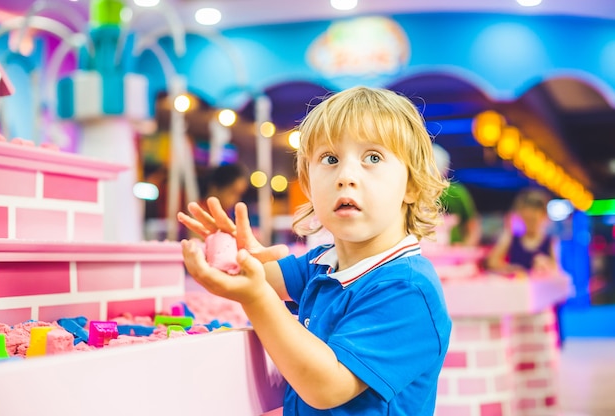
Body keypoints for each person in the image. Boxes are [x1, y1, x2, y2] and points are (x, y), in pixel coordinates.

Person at [177, 86, 452, 415]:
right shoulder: (324, 263)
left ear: (411, 184)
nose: (346, 176)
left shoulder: (406, 288)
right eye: (330, 159)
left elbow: (326, 387)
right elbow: (263, 277)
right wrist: (236, 256)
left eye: (373, 158)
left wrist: (256, 298)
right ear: (307, 185)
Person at [486, 187, 559, 274]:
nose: (530, 223)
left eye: (533, 219)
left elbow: (556, 271)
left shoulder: (550, 242)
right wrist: (511, 269)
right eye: (527, 219)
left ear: (543, 216)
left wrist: (546, 265)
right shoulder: (511, 237)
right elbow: (491, 262)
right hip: (517, 286)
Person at [432, 144, 481, 246]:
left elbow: (472, 227)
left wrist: (465, 249)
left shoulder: (456, 193)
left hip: (452, 255)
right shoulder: (413, 192)